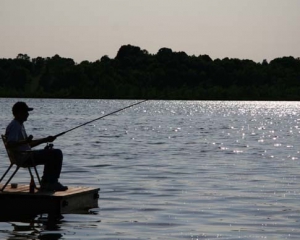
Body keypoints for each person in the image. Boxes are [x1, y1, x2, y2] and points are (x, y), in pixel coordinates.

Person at [5, 101, 68, 192]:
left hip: (26, 155)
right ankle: (50, 183)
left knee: (52, 152)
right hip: (24, 157)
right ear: (19, 113)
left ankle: (48, 182)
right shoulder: (15, 126)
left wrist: (45, 140)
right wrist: (26, 141)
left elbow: (28, 144)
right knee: (56, 153)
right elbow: (10, 144)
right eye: (26, 112)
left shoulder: (19, 124)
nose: (27, 114)